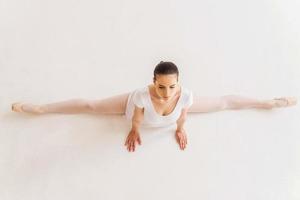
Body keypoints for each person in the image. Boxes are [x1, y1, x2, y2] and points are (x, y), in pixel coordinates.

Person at [11, 61, 298, 152]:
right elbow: (136, 119)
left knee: (223, 103)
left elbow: (183, 116)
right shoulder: (140, 95)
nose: (166, 92)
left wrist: (180, 129)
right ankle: (40, 109)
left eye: (171, 86)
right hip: (133, 108)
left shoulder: (184, 95)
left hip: (170, 118)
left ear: (179, 83)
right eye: (161, 86)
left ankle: (268, 102)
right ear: (153, 81)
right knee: (91, 104)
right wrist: (136, 132)